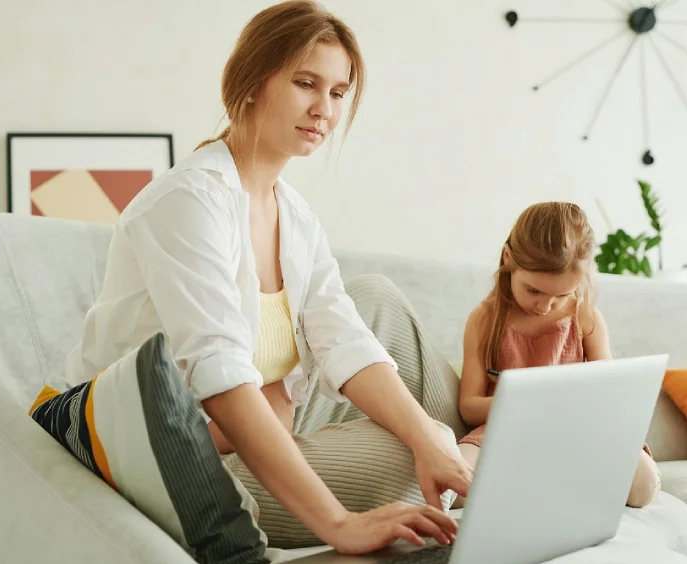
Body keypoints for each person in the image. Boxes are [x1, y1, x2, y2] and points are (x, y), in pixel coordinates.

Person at [64, 0, 471, 555]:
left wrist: (432, 440)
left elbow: (344, 338)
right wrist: (340, 525)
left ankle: (468, 451)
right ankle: (486, 455)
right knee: (403, 457)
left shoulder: (293, 214)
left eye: (337, 92)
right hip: (188, 457)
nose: (323, 109)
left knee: (384, 322)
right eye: (306, 83)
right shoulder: (190, 202)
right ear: (252, 80)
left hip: (262, 425)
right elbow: (222, 379)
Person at [453, 202, 662, 509]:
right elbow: (469, 407)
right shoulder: (484, 320)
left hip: (576, 430)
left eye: (562, 294)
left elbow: (609, 394)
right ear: (508, 258)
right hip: (506, 430)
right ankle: (548, 480)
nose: (545, 306)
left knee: (643, 487)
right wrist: (529, 402)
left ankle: (546, 478)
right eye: (534, 291)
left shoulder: (586, 317)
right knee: (455, 490)